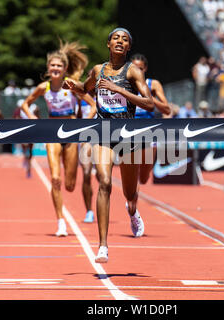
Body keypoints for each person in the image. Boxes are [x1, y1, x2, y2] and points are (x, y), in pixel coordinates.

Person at [64, 28, 154, 263]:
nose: (120, 41)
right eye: (116, 38)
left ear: (128, 48)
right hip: (102, 131)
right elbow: (86, 88)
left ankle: (132, 210)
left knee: (129, 192)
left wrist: (118, 89)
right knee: (104, 182)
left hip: (127, 135)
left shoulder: (132, 72)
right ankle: (103, 245)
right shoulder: (98, 70)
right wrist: (74, 87)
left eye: (125, 39)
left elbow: (150, 103)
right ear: (108, 44)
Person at [21, 39, 95, 237]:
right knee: (55, 179)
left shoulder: (71, 86)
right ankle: (60, 221)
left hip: (71, 133)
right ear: (48, 68)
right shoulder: (43, 87)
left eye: (59, 65)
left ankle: (70, 198)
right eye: (52, 65)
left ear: (65, 69)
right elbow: (26, 105)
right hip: (52, 131)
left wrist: (85, 123)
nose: (55, 68)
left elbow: (93, 105)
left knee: (70, 185)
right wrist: (34, 121)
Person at [130, 53, 171, 185]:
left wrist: (150, 100)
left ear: (145, 69)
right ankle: (131, 203)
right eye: (134, 68)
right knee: (131, 172)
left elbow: (167, 109)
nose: (137, 71)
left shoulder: (153, 84)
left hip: (149, 132)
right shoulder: (123, 84)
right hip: (129, 130)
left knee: (143, 178)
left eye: (140, 68)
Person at [77, 91, 98, 223]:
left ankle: (102, 205)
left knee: (103, 178)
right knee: (86, 174)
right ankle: (89, 211)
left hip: (103, 138)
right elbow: (77, 117)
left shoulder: (105, 95)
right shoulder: (81, 97)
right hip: (86, 139)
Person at [12, 99, 40, 178]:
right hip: (23, 130)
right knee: (24, 147)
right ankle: (25, 157)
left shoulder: (35, 108)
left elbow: (38, 117)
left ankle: (29, 167)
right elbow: (16, 118)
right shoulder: (20, 109)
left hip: (32, 130)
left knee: (30, 150)